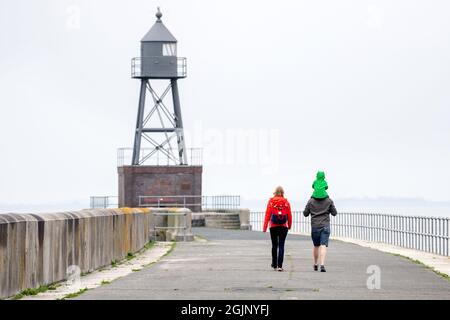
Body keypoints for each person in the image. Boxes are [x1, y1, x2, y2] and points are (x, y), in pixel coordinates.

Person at [303, 171, 337, 272]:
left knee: (316, 245)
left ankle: (315, 263)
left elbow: (305, 213)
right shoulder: (329, 200)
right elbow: (334, 213)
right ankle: (322, 264)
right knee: (323, 245)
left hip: (315, 226)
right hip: (325, 225)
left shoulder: (311, 201)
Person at [263, 186, 292, 272]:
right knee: (281, 246)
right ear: (283, 193)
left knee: (274, 245)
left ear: (274, 192)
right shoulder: (286, 202)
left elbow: (267, 214)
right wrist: (289, 225)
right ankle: (280, 266)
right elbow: (289, 215)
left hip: (273, 226)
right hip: (283, 227)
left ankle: (274, 265)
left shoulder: (271, 202)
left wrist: (264, 227)